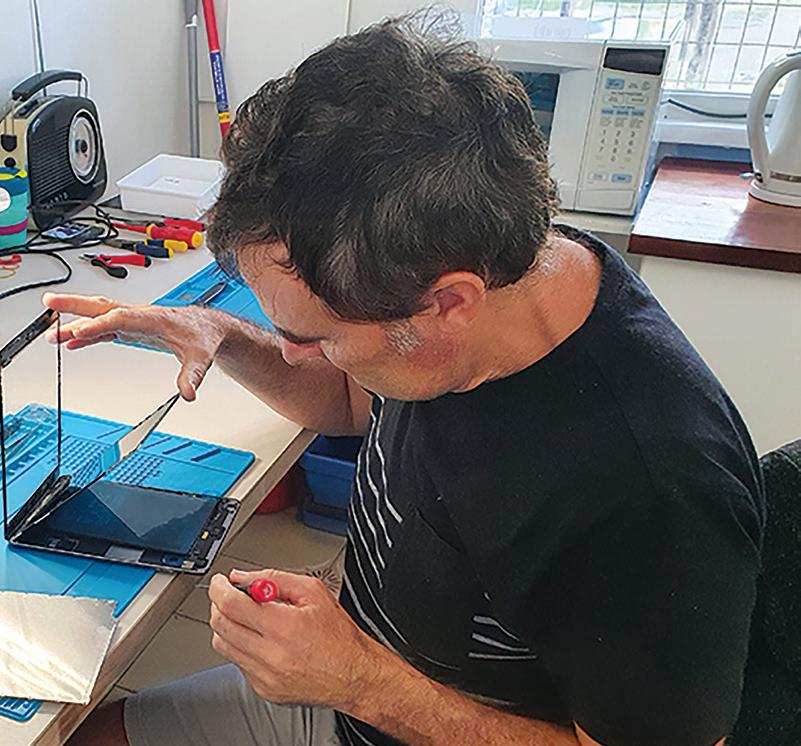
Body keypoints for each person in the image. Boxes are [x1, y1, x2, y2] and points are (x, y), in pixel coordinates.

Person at [55, 12, 764, 746]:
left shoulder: (649, 494)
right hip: (350, 691)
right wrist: (225, 336)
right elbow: (344, 400)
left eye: (315, 335)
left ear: (448, 304)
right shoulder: (488, 272)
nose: (297, 353)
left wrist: (360, 681)